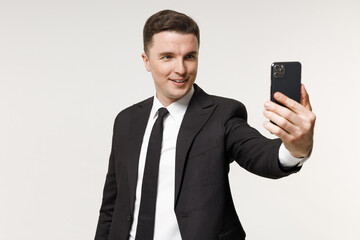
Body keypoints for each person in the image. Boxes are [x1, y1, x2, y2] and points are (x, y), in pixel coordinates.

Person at [94, 9, 316, 240]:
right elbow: (112, 204)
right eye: (167, 57)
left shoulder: (223, 114)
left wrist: (296, 148)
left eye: (189, 56)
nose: (181, 69)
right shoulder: (126, 121)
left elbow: (261, 155)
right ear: (146, 61)